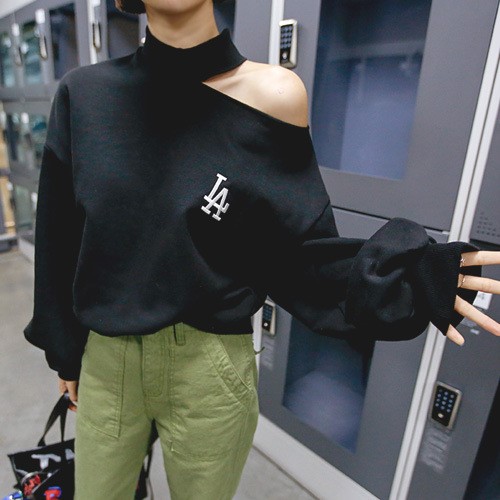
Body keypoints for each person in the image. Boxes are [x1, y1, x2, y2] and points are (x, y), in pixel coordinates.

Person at [22, 0, 500, 498]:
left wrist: (407, 275)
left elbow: (299, 253)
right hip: (107, 358)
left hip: (209, 366)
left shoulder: (273, 96)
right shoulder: (85, 95)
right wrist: (65, 352)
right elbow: (60, 235)